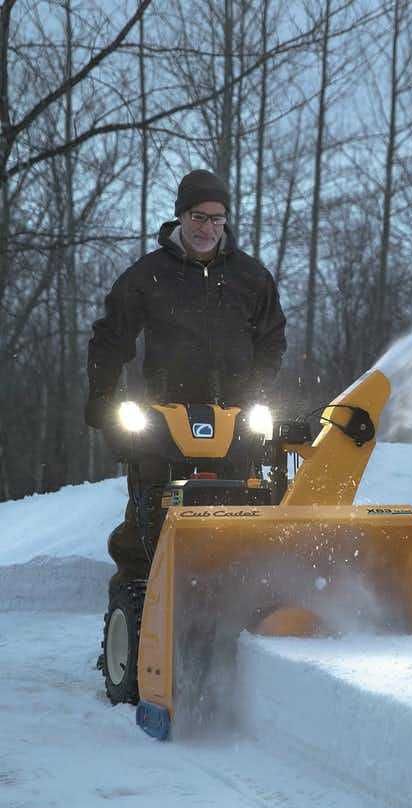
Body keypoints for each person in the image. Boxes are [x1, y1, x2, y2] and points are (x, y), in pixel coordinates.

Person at [85, 169, 287, 596]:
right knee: (148, 518)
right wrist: (103, 396)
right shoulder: (149, 275)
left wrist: (257, 391)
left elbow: (272, 339)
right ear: (180, 216)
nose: (207, 228)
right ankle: (136, 610)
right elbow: (110, 338)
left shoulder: (250, 277)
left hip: (235, 418)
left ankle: (240, 597)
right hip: (164, 417)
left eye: (217, 219)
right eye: (198, 217)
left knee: (241, 508)